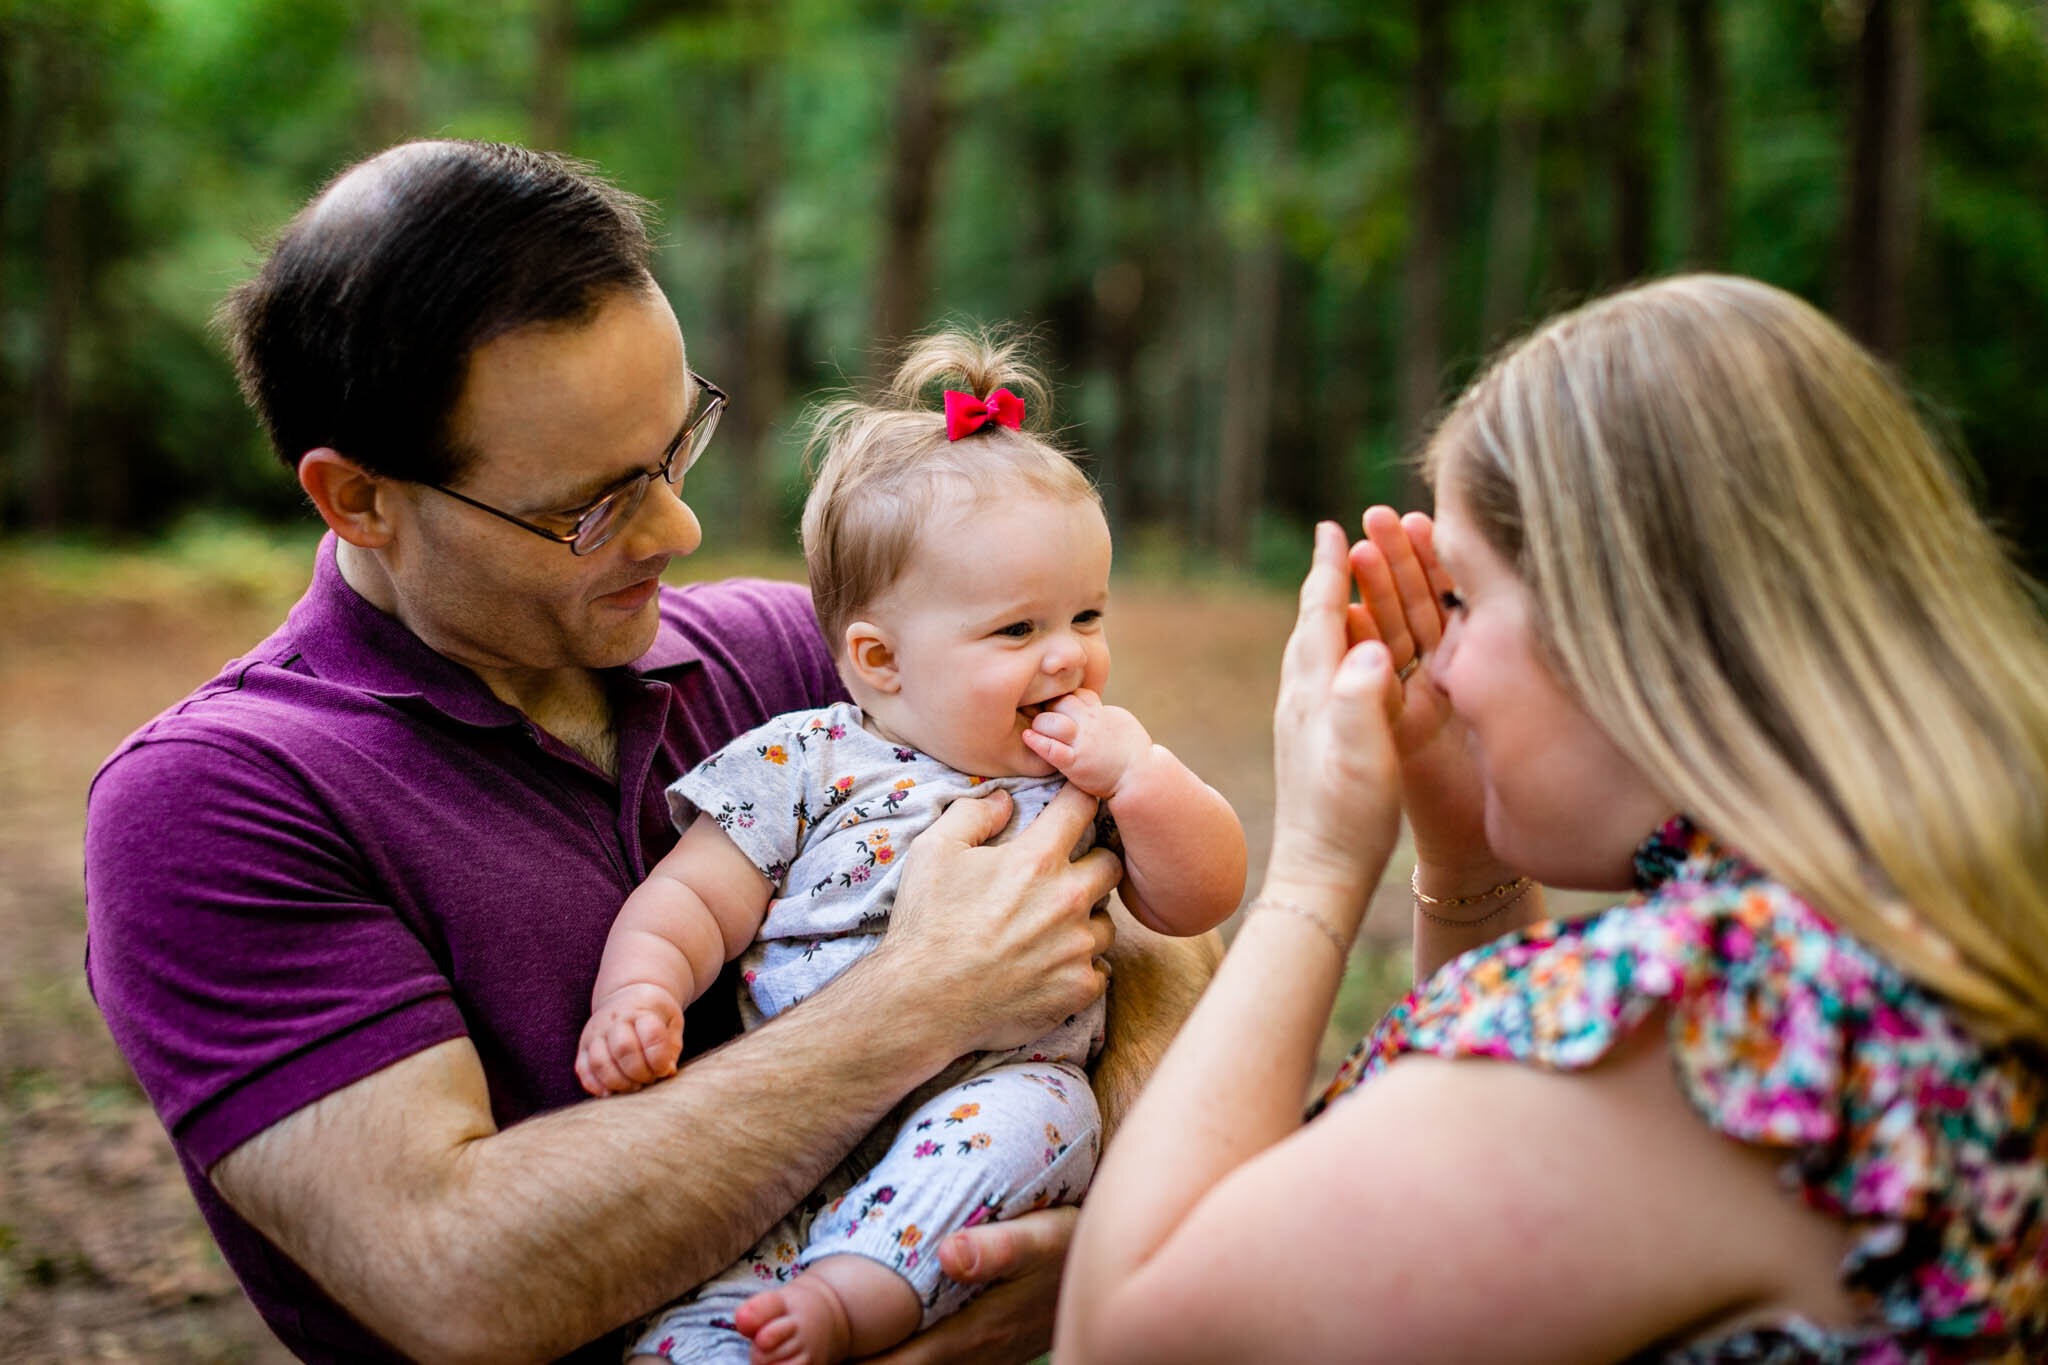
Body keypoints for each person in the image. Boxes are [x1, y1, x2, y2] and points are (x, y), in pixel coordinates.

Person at [80, 139, 1218, 1365]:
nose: (676, 526)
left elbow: (1154, 921)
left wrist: (1111, 1228)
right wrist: (919, 1002)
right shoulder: (214, 802)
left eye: (677, 447)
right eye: (593, 504)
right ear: (358, 500)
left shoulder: (790, 653)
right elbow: (459, 1280)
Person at [1054, 274, 2048, 1361]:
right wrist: (1459, 827)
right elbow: (1489, 1139)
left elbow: (1132, 1337)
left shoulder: (1733, 1019)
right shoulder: (1909, 919)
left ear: (1628, 628)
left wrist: (1313, 874)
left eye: (1467, 601)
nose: (1448, 661)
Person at [575, 330, 1246, 1365]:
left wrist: (1143, 779)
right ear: (880, 661)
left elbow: (1198, 897)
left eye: (1085, 614)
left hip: (988, 1111)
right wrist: (641, 995)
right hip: (793, 1120)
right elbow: (693, 901)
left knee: (1042, 1114)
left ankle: (858, 1298)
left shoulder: (1078, 777)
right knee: (702, 1295)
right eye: (1016, 632)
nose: (1069, 654)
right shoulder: (800, 759)